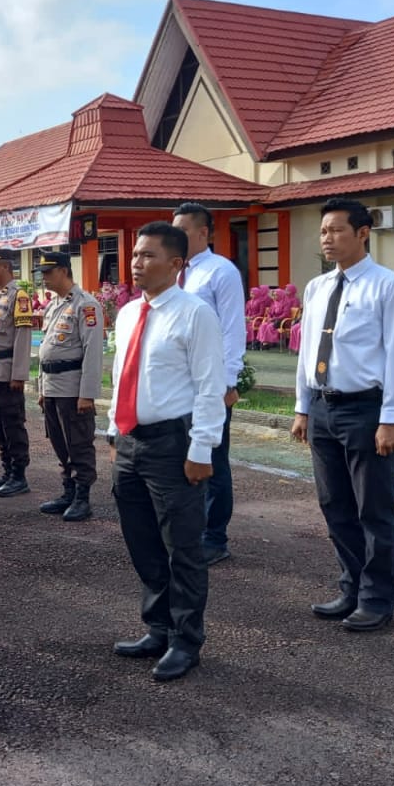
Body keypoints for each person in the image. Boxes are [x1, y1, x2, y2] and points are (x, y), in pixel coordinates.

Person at [290, 197, 394, 633]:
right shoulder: (317, 287)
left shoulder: (389, 286)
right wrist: (302, 407)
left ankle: (377, 598)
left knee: (373, 508)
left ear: (363, 233)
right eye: (323, 231)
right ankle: (351, 586)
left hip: (366, 410)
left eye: (336, 230)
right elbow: (308, 351)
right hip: (324, 409)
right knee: (335, 505)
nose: (327, 238)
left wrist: (391, 417)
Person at [108, 221, 226, 682]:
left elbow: (210, 387)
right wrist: (113, 431)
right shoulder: (128, 313)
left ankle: (185, 640)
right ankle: (157, 627)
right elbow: (121, 377)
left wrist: (202, 450)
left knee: (183, 547)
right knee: (143, 543)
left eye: (147, 256)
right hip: (130, 443)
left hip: (174, 446)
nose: (136, 263)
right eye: (135, 255)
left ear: (175, 264)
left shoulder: (195, 313)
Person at [171, 203, 247, 566]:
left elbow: (233, 330)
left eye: (183, 230)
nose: (177, 237)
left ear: (204, 233)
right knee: (181, 456)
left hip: (211, 384)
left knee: (213, 460)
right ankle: (189, 528)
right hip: (177, 385)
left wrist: (227, 382)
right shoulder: (173, 271)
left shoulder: (221, 272)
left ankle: (215, 537)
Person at [34, 251, 105, 521]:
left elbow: (93, 352)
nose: (44, 278)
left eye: (48, 272)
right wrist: (42, 388)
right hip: (52, 386)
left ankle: (82, 497)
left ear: (64, 271)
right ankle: (68, 491)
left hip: (73, 388)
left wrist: (87, 394)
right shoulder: (54, 305)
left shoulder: (85, 305)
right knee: (60, 442)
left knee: (79, 443)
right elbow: (45, 350)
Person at [0, 250, 34, 497]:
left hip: (7, 371)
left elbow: (23, 337)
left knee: (12, 424)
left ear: (4, 266)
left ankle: (19, 475)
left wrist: (19, 374)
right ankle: (7, 469)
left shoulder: (18, 297)